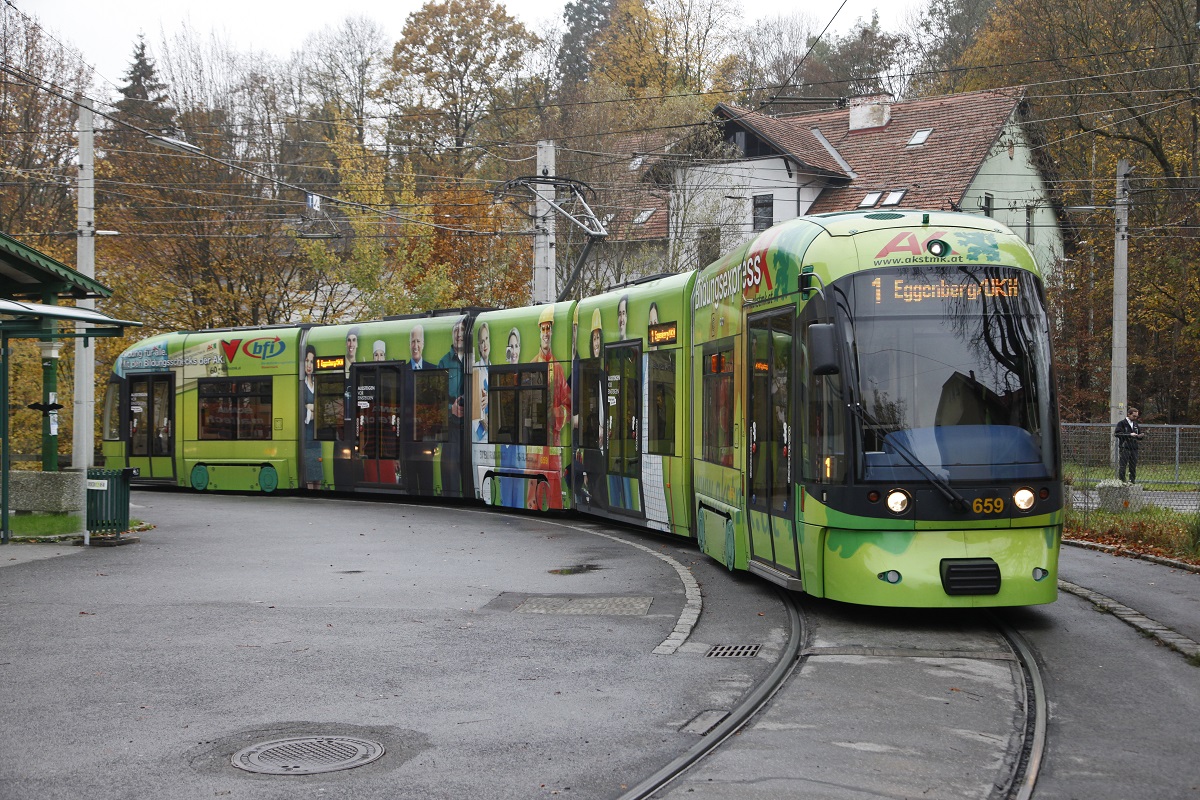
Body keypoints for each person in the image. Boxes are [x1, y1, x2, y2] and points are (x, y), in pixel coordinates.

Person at [302, 344, 322, 489]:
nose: (309, 365)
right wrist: (311, 411)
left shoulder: (318, 383)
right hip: (306, 436)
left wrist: (310, 406)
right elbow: (299, 409)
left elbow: (323, 407)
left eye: (312, 362)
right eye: (307, 361)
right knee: (310, 472)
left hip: (317, 436)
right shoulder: (300, 385)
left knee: (318, 473)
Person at [1115, 406, 1144, 483]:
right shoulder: (1122, 423)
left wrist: (1140, 436)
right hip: (1125, 447)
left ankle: (1132, 481)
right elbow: (1117, 434)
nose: (1135, 418)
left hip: (1134, 448)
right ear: (1128, 414)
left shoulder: (1135, 424)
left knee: (1133, 466)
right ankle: (1122, 481)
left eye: (1136, 416)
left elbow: (1138, 434)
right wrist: (1129, 434)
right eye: (1134, 416)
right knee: (1123, 466)